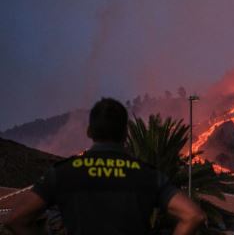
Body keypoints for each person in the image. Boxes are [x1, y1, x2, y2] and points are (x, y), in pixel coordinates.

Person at [6, 98, 206, 235]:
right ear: (125, 133)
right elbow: (193, 215)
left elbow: (16, 218)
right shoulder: (146, 175)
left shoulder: (64, 173)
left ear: (89, 131)